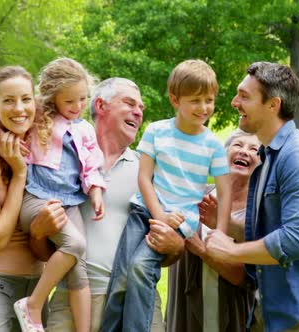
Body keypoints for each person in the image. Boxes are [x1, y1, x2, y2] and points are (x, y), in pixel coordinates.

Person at [205, 61, 299, 331]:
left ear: (273, 105)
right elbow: (271, 231)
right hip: (275, 309)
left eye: (244, 96)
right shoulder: (268, 156)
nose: (234, 102)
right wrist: (223, 221)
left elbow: (297, 240)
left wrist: (232, 251)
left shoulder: (298, 156)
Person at [31, 77, 185, 332]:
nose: (139, 111)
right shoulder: (60, 165)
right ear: (101, 106)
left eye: (141, 108)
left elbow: (172, 248)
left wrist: (175, 245)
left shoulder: (148, 171)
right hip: (71, 302)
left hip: (136, 303)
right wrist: (38, 231)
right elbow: (42, 251)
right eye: (130, 103)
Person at [101, 59, 232, 332]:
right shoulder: (156, 131)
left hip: (181, 220)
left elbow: (225, 191)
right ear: (175, 99)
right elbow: (144, 178)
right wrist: (159, 215)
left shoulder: (212, 146)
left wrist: (219, 231)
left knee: (139, 267)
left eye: (209, 100)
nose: (204, 108)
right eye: (195, 100)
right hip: (145, 212)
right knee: (122, 276)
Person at [0, 58, 103, 332]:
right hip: (36, 197)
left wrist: (95, 190)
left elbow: (93, 163)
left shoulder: (84, 129)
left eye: (83, 99)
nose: (77, 106)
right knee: (76, 245)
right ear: (53, 97)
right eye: (70, 101)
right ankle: (33, 304)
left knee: (79, 272)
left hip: (69, 202)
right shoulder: (38, 118)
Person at [0, 65, 66, 331]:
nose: (19, 109)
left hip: (34, 287)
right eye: (9, 100)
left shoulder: (38, 146)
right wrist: (19, 173)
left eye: (26, 99)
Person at [166, 129, 260, 332]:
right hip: (186, 312)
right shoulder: (193, 197)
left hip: (234, 315)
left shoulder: (258, 216)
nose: (245, 152)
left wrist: (202, 251)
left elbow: (246, 278)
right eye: (238, 145)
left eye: (254, 149)